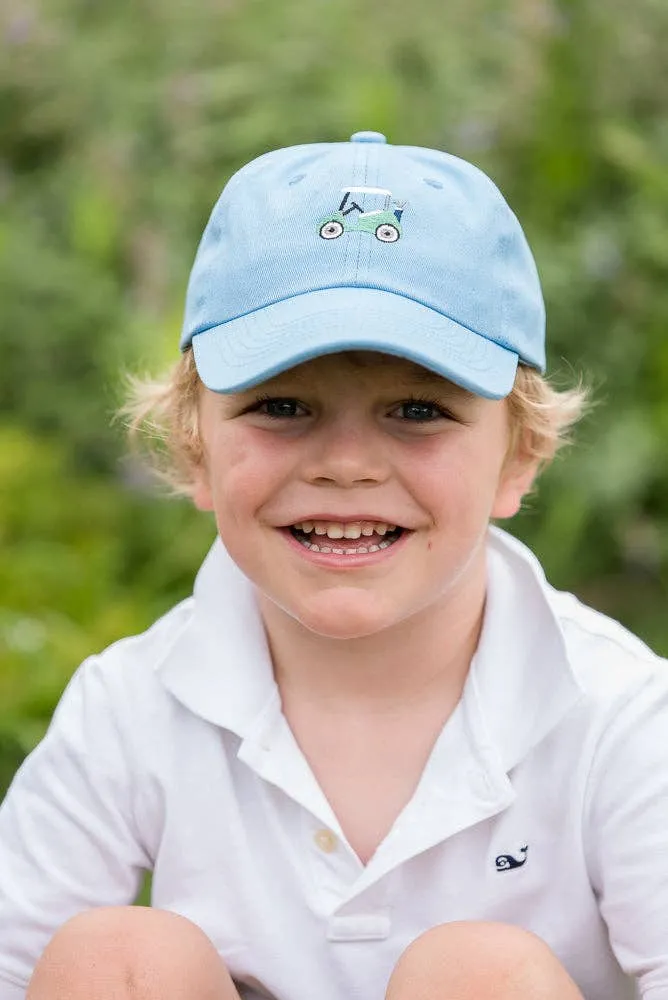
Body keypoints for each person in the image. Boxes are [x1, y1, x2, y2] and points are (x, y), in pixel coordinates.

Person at [0, 130, 666, 1000]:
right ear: (193, 449)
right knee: (115, 959)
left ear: (520, 457)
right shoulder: (132, 707)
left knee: (482, 976)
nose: (346, 464)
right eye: (282, 406)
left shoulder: (620, 718)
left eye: (417, 410)